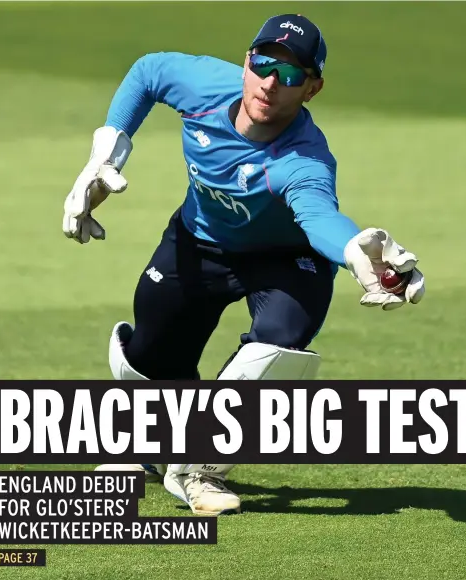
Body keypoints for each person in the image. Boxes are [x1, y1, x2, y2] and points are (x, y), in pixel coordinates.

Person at [63, 14, 425, 516]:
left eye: (292, 75)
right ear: (247, 60)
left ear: (312, 89)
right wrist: (107, 152)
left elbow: (319, 216)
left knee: (279, 343)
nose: (271, 82)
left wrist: (351, 249)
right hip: (201, 241)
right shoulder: (203, 85)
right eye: (264, 62)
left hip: (287, 258)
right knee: (150, 350)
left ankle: (199, 469)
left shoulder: (304, 159)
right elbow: (147, 72)